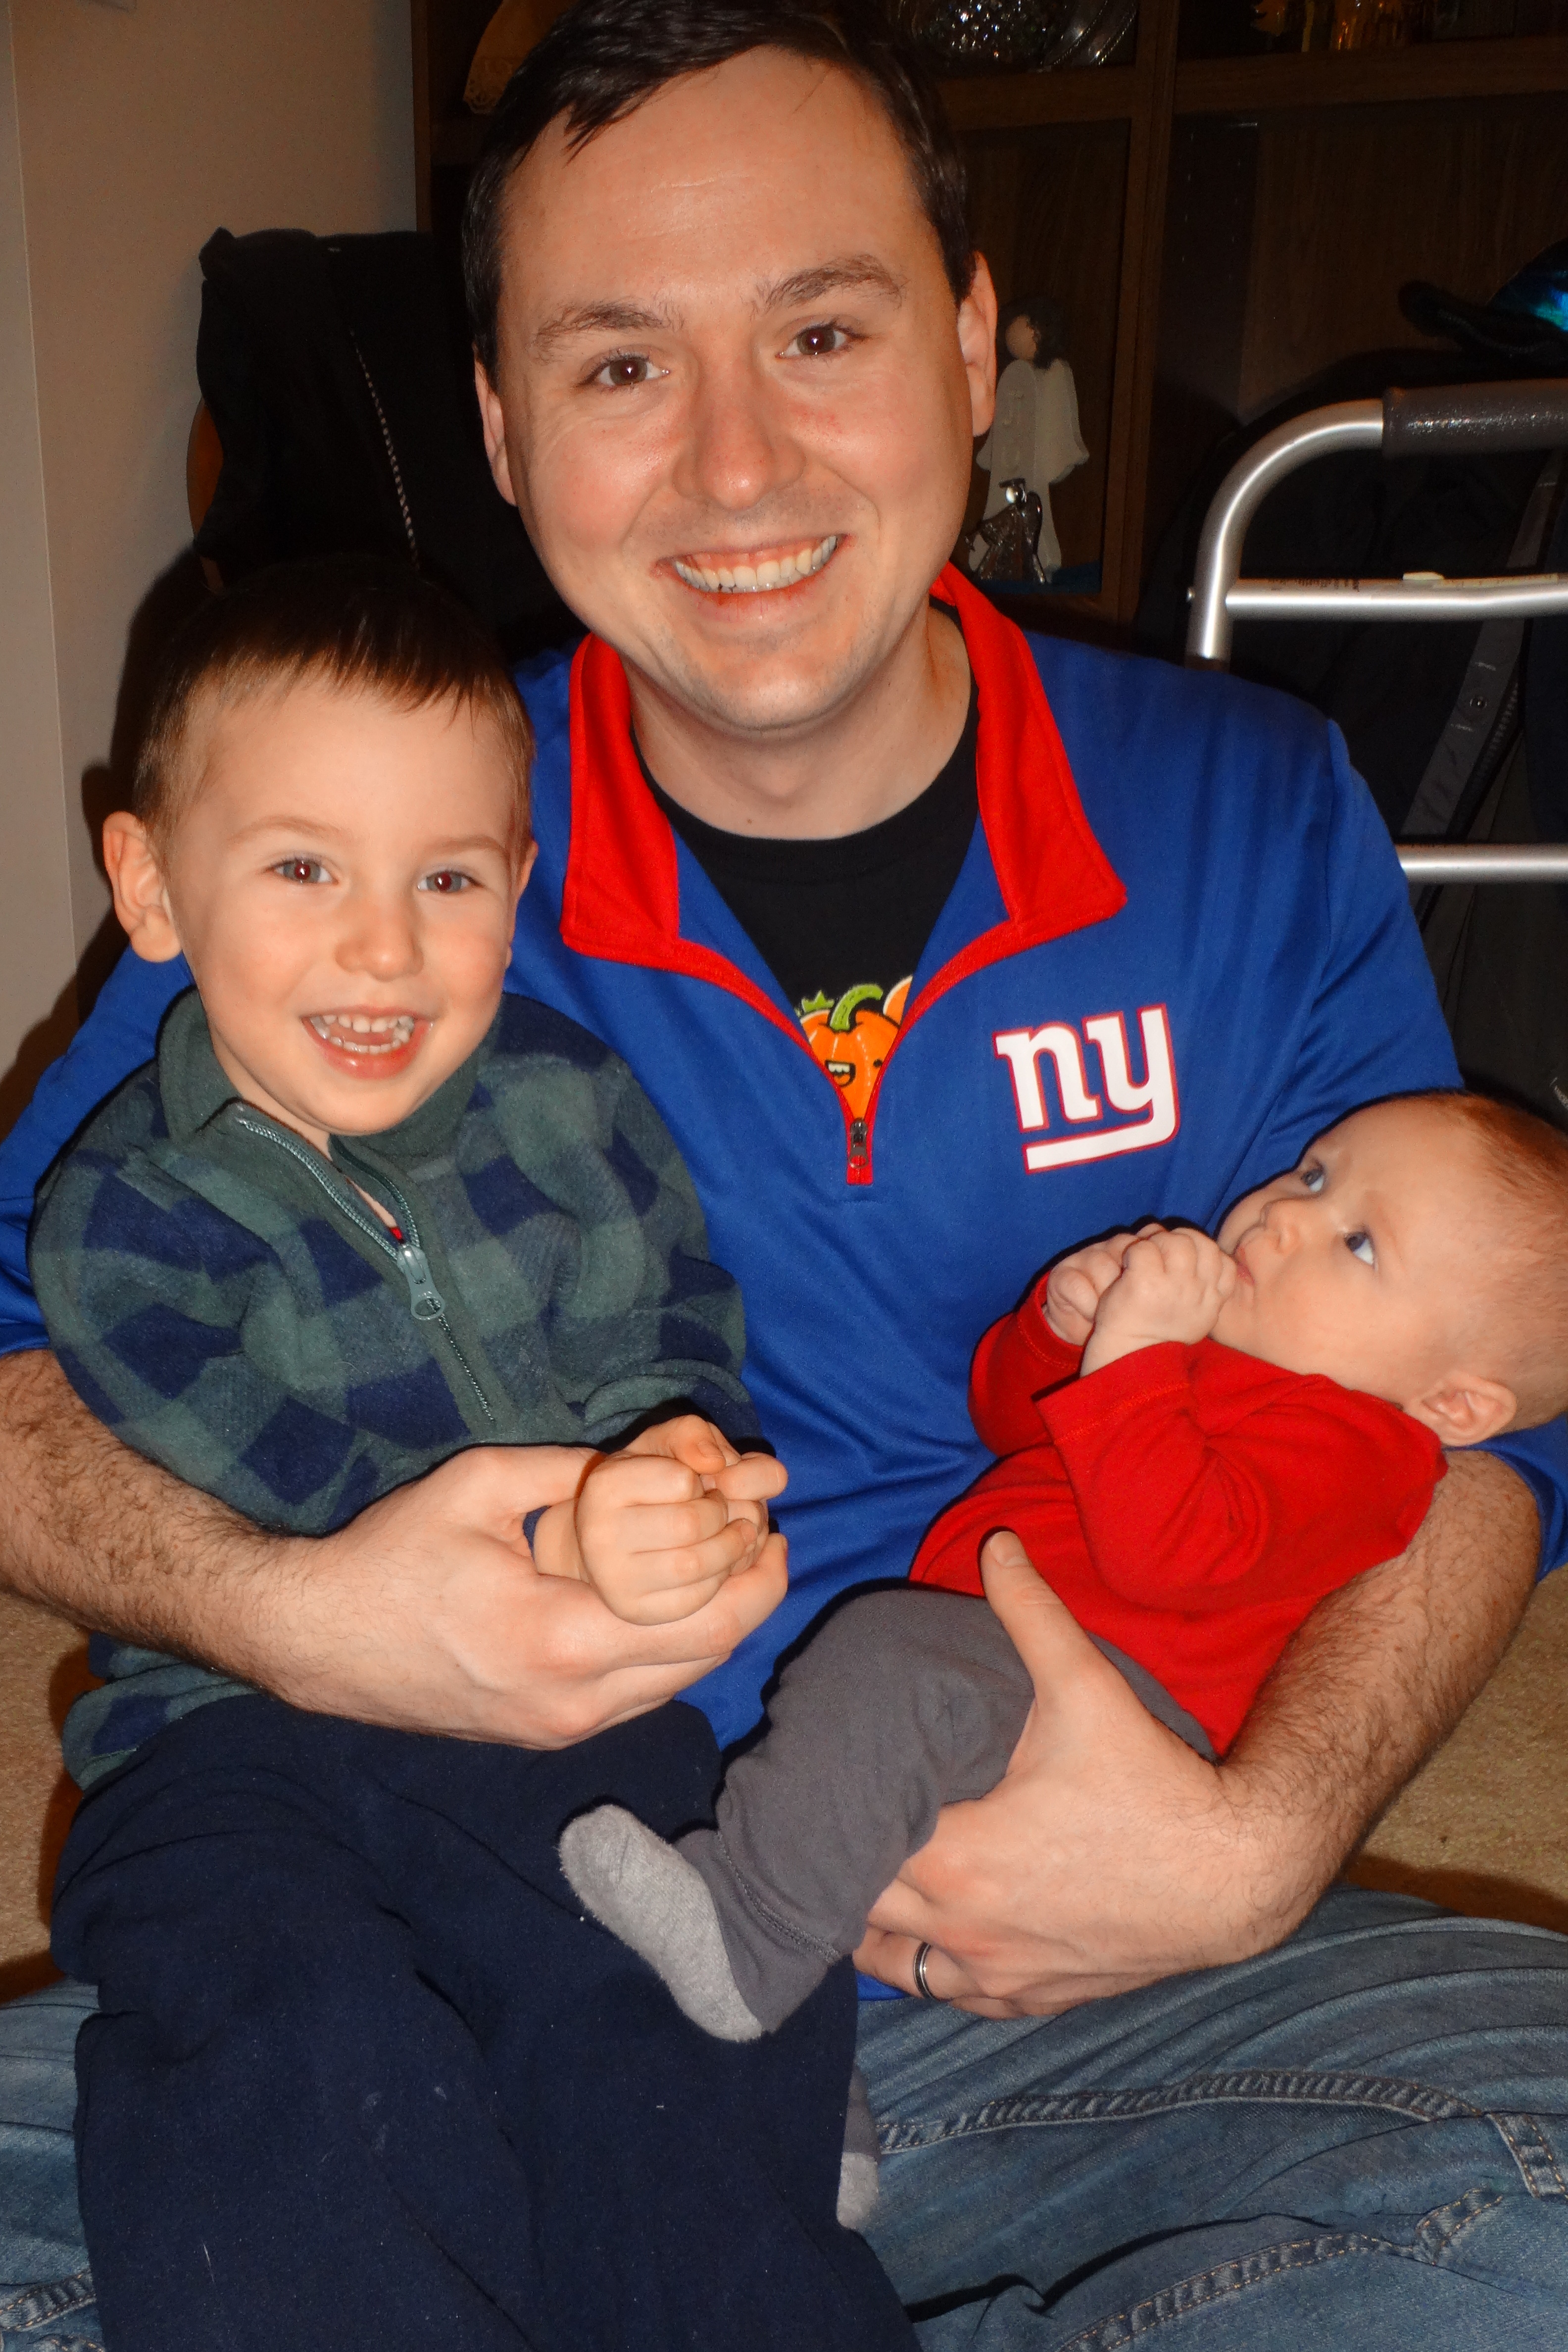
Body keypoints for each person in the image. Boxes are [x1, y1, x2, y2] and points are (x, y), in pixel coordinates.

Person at [1, 3, 1568, 2345]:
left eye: (820, 331)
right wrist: (298, 1614)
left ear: (970, 344)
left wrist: (1257, 1838)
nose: (736, 464)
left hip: (1037, 1964)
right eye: (623, 365)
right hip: (449, 1922)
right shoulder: (372, 842)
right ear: (504, 428)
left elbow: (1488, 1403)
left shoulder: (1250, 811)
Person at [26, 552, 915, 2352]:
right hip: (226, 1744)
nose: (383, 947)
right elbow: (256, 1484)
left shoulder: (574, 1105)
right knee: (276, 2056)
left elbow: (676, 1332)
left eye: (447, 878)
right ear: (152, 887)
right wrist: (551, 1531)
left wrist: (670, 1479)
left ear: (519, 882)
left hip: (561, 1731)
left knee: (662, 2021)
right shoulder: (117, 1213)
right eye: (303, 870)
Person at [560, 1092, 1568, 2080]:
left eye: (1360, 1245)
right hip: (1001, 1660)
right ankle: (820, 2117)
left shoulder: (1366, 1457)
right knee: (843, 1811)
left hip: (1107, 1713)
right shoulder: (1219, 1348)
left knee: (877, 1665)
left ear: (1454, 1404)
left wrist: (1134, 1356)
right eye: (1313, 1173)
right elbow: (1017, 1422)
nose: (1286, 1217)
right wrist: (1062, 1326)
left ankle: (748, 1929)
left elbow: (1170, 1549)